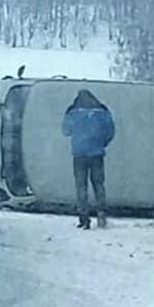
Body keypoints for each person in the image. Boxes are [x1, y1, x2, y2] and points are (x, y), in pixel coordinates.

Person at [62, 90, 115, 230]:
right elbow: (110, 132)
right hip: (97, 154)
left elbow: (65, 131)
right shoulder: (102, 112)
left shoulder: (73, 113)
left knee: (81, 186)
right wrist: (102, 143)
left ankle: (84, 218)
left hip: (79, 154)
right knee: (98, 185)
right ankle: (101, 216)